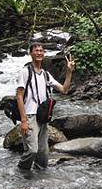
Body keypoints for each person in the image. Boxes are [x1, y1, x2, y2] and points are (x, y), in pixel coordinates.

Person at [16, 42, 75, 171]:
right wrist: (23, 120)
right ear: (31, 53)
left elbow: (64, 90)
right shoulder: (25, 72)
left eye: (41, 51)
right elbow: (19, 96)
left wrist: (69, 71)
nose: (39, 53)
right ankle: (21, 172)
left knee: (43, 153)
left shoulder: (46, 74)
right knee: (32, 150)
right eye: (36, 50)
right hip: (30, 116)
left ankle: (41, 179)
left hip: (43, 116)